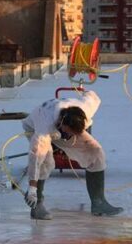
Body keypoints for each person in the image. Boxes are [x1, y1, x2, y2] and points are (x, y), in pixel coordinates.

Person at [21, 90, 123, 219]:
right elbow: (35, 158)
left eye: (73, 133)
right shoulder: (44, 127)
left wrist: (85, 91)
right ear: (63, 123)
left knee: (95, 151)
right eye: (69, 132)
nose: (70, 136)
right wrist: (32, 188)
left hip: (61, 129)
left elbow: (93, 97)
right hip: (35, 128)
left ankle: (99, 202)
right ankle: (38, 203)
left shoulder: (86, 108)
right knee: (46, 161)